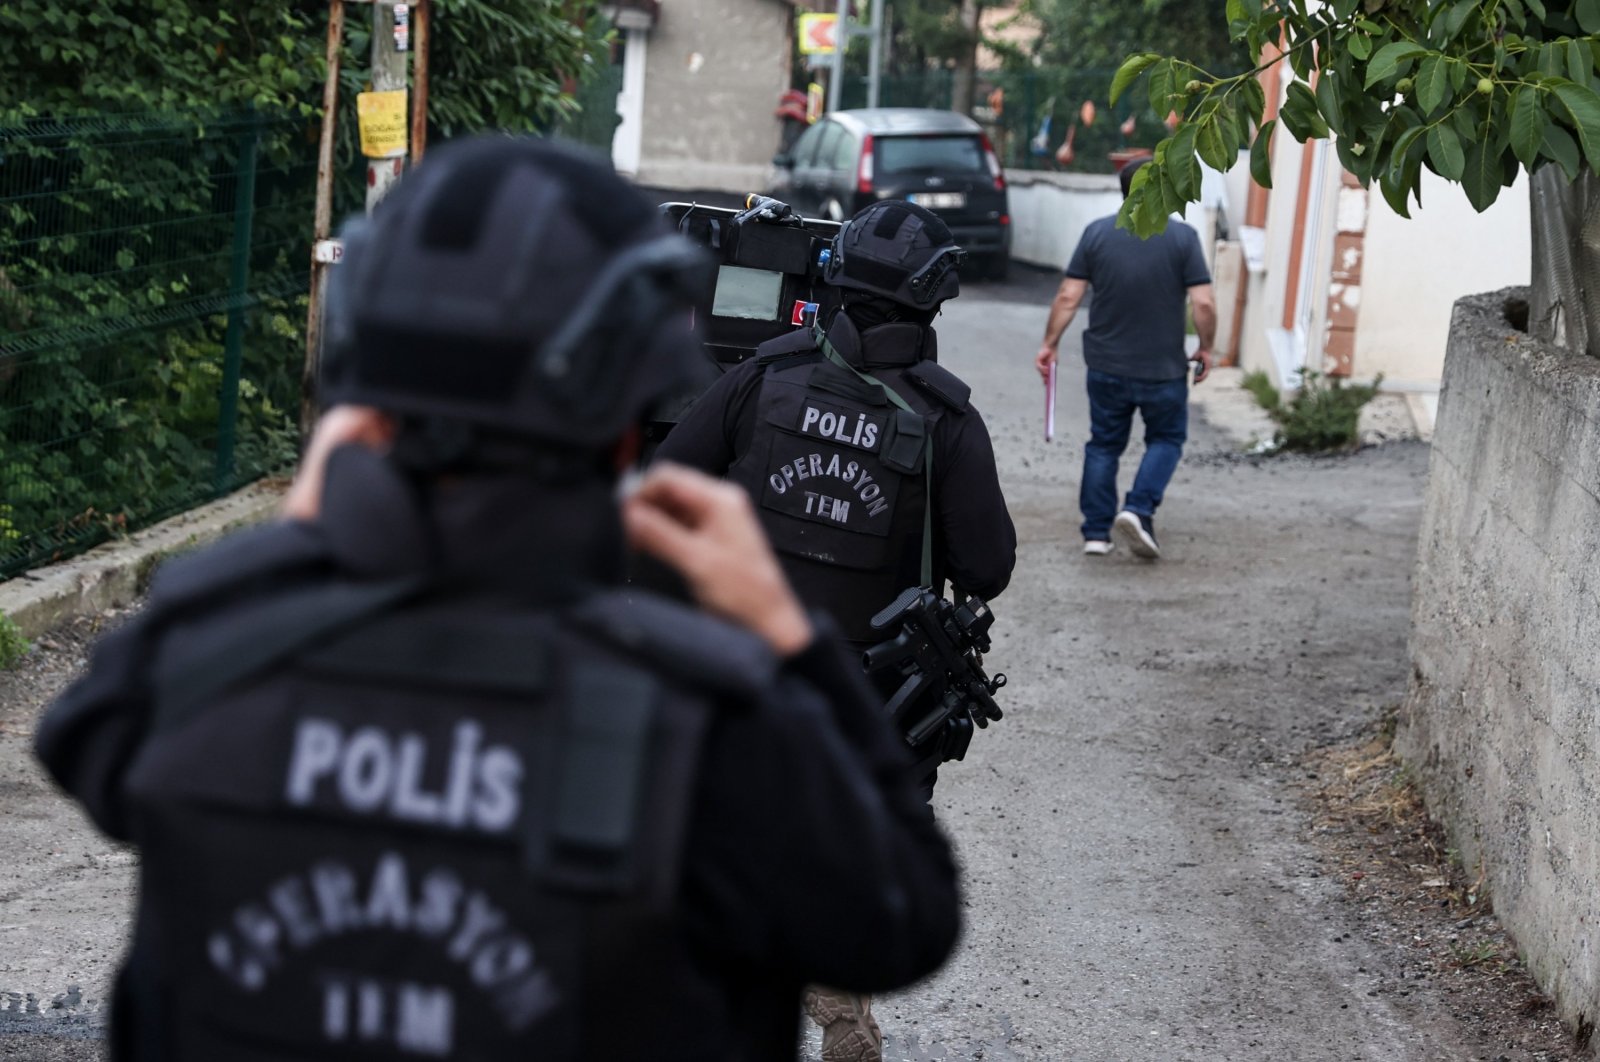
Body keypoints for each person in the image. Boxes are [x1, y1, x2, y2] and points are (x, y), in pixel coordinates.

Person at [32, 136, 960, 1062]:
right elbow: (903, 919)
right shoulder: (711, 719)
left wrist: (306, 535)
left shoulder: (208, 653)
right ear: (622, 423)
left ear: (362, 400)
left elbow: (80, 740)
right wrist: (789, 644)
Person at [653, 199, 1015, 1062]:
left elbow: (668, 481)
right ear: (933, 303)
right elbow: (989, 568)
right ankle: (825, 998)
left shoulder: (760, 377)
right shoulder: (946, 422)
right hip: (868, 701)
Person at [1034, 159, 1217, 560]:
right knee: (1166, 440)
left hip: (1106, 366)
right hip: (1163, 369)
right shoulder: (1183, 238)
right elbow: (1202, 302)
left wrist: (1050, 342)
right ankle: (1138, 508)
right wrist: (1206, 346)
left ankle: (1097, 534)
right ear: (1161, 188)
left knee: (1103, 445)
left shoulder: (1096, 233)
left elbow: (1068, 295)